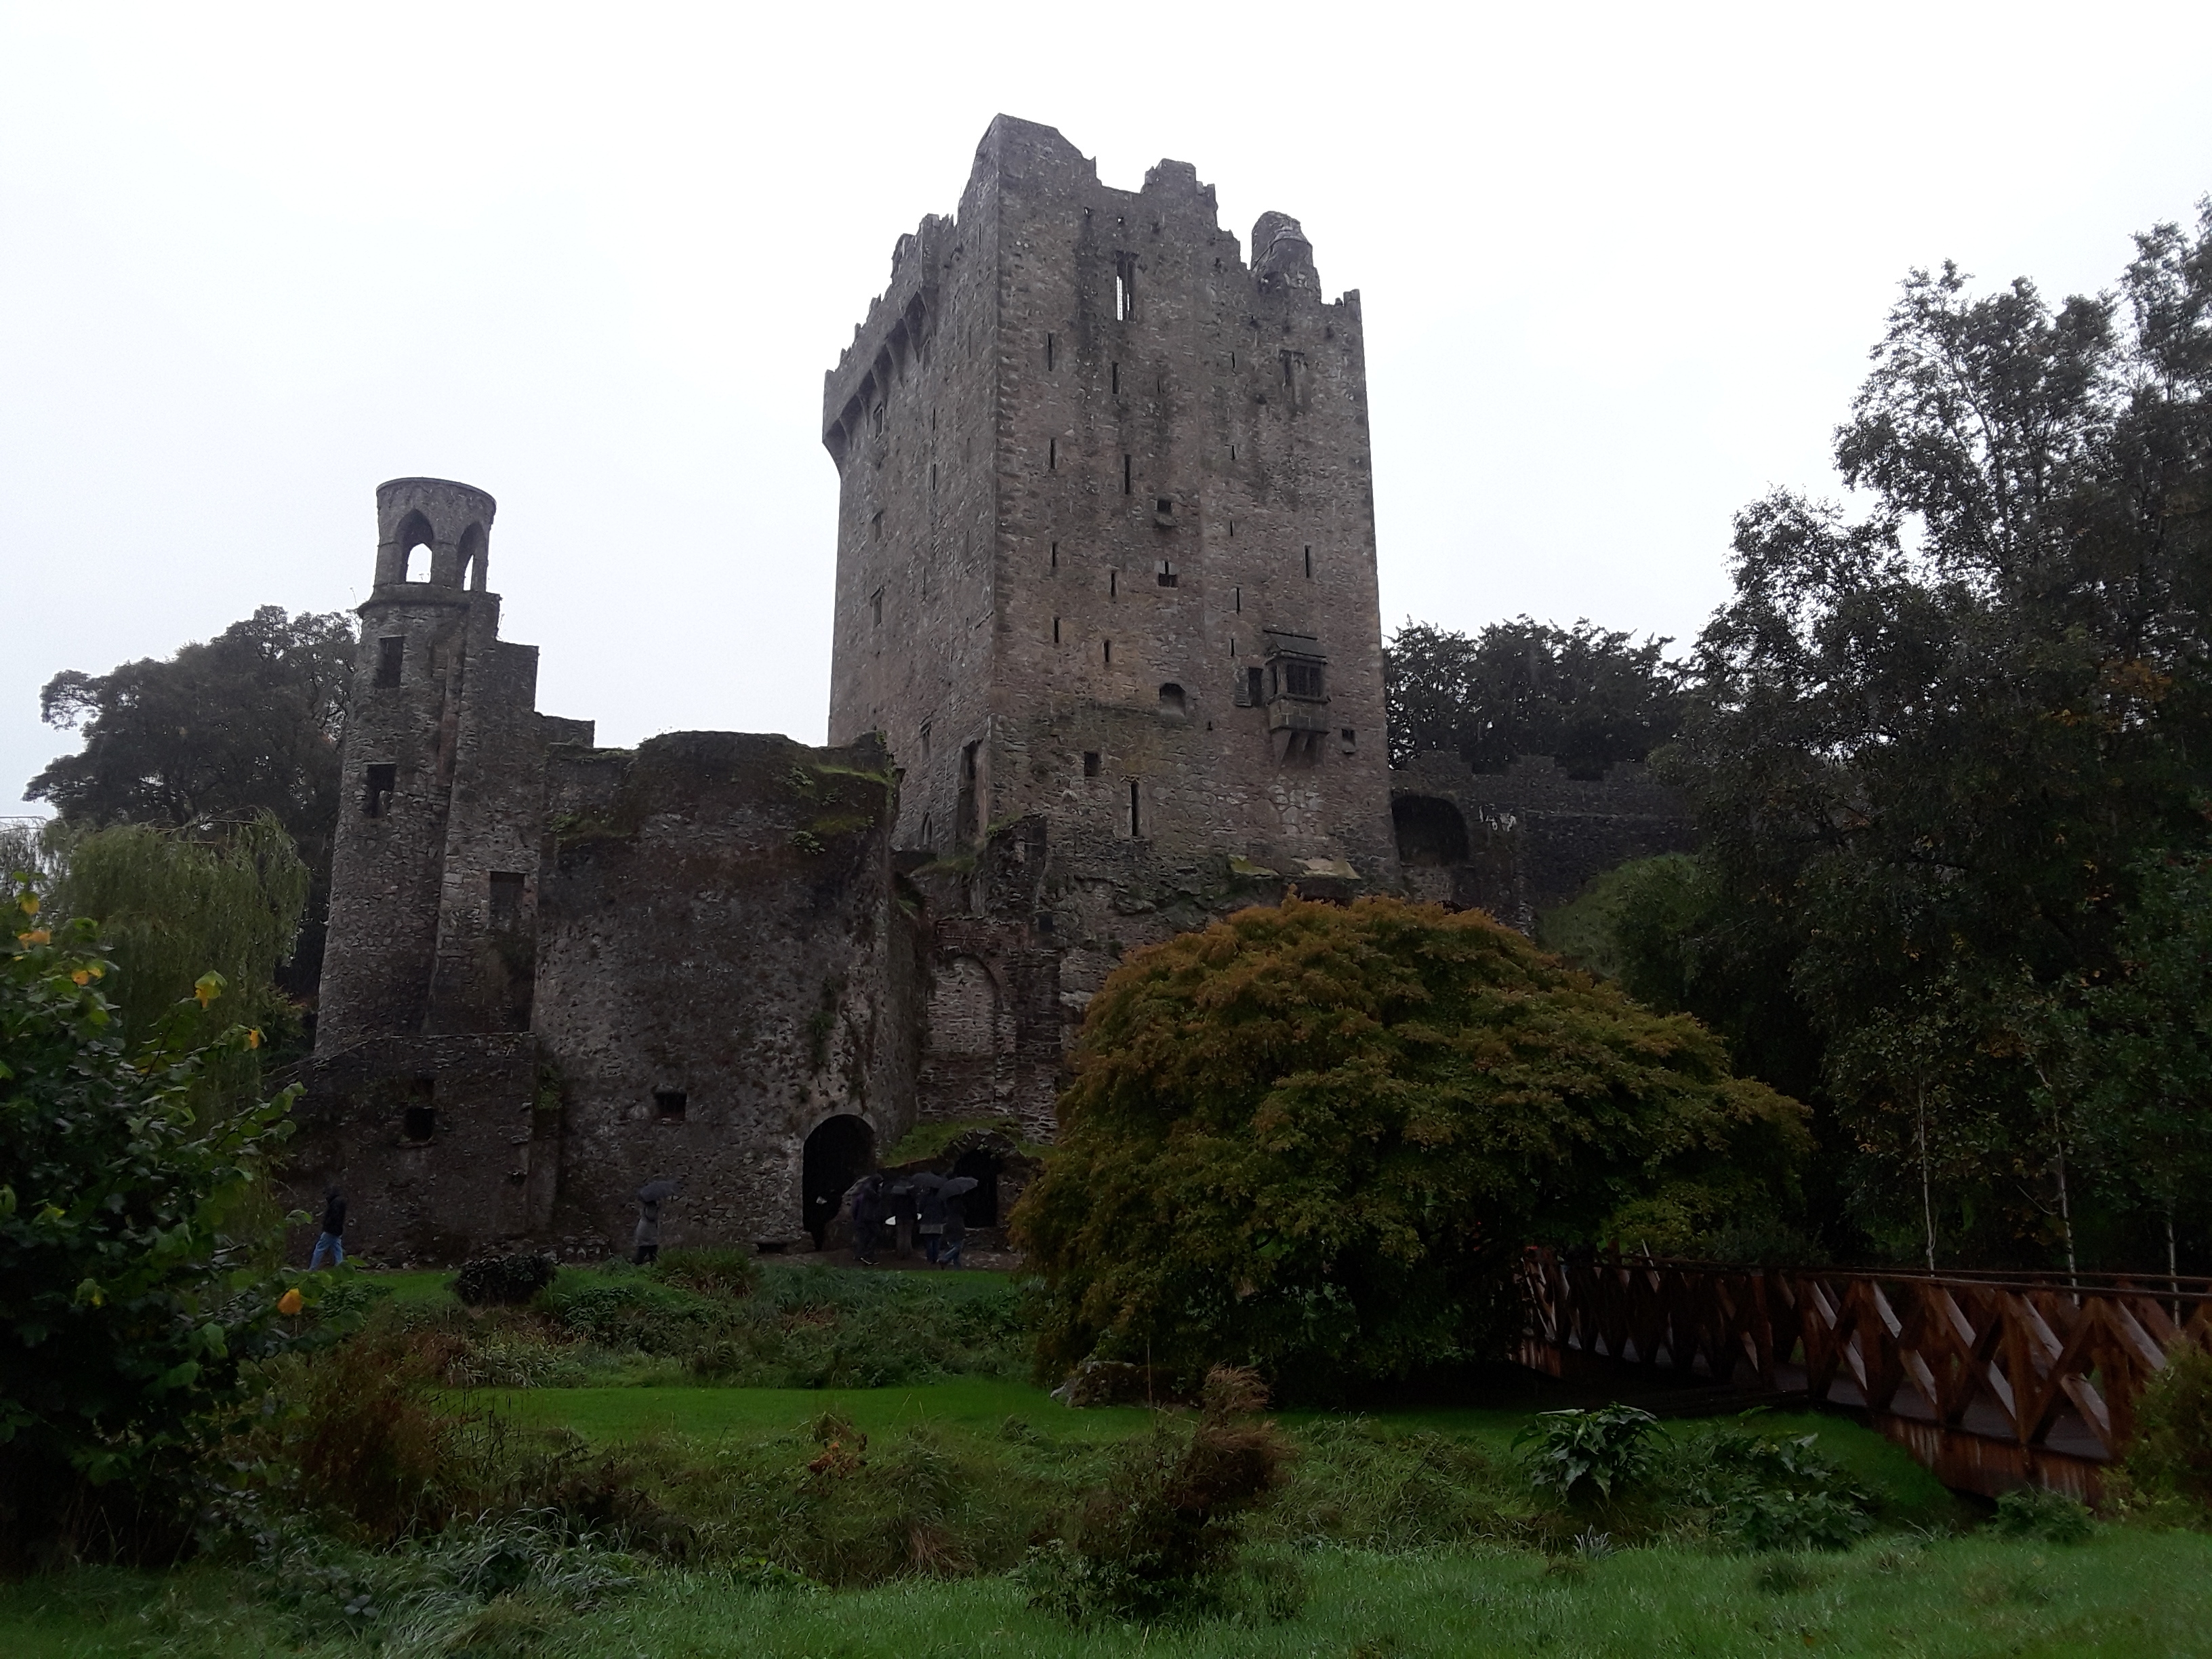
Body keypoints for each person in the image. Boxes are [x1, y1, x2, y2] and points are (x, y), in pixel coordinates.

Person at [851, 1174, 885, 1266]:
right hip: (869, 1217)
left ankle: (860, 1255)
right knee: (874, 1234)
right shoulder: (871, 1191)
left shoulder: (863, 1194)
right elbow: (878, 1199)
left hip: (862, 1218)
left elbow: (855, 1209)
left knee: (863, 1237)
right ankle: (867, 1255)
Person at [310, 1187, 346, 1268]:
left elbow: (333, 1217)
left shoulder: (335, 1203)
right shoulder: (341, 1202)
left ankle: (313, 1268)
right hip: (338, 1230)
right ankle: (340, 1268)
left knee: (320, 1248)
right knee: (337, 1249)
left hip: (330, 1230)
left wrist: (327, 1226)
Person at [634, 1195, 661, 1266]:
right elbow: (651, 1216)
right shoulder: (651, 1205)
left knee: (646, 1247)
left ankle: (639, 1264)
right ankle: (650, 1264)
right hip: (647, 1231)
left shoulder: (647, 1204)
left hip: (645, 1229)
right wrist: (657, 1209)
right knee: (649, 1247)